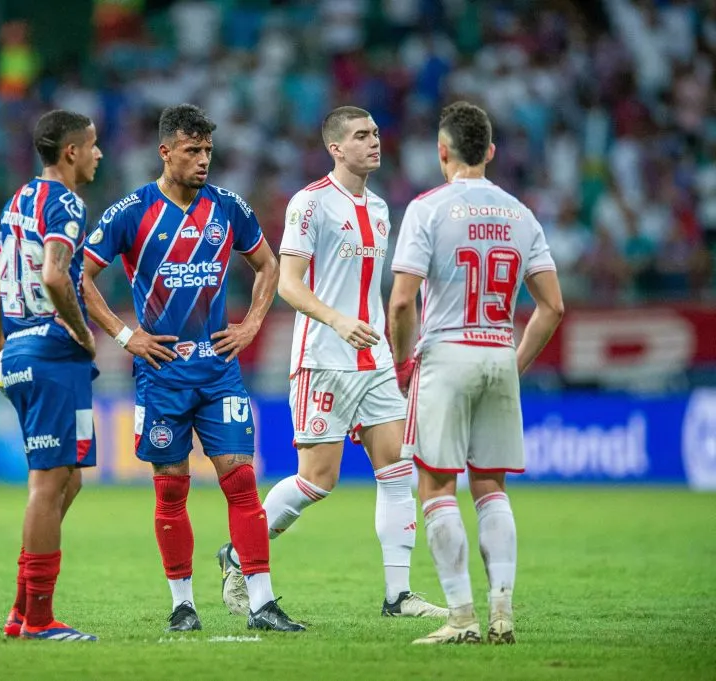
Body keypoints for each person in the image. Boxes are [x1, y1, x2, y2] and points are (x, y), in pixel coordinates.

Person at [214, 106, 447, 620]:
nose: (374, 142)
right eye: (362, 136)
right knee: (318, 479)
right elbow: (288, 285)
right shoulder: (310, 204)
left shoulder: (384, 209)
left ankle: (398, 595)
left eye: (377, 133)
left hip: (375, 358)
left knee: (397, 469)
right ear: (336, 148)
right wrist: (338, 322)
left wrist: (388, 343)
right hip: (322, 358)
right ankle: (237, 552)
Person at [81, 103, 303, 633]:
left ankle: (262, 603)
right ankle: (183, 603)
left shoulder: (229, 208)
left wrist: (250, 325)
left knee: (242, 482)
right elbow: (81, 275)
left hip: (219, 369)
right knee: (171, 487)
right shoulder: (132, 211)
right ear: (165, 152)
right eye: (192, 151)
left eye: (208, 150)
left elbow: (269, 265)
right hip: (161, 374)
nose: (204, 160)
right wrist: (125, 335)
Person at [388, 101, 564, 645]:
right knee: (491, 487)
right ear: (489, 151)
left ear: (442, 151)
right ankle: (502, 613)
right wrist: (513, 363)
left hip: (446, 354)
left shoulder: (427, 208)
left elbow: (401, 302)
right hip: (496, 351)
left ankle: (461, 617)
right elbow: (552, 307)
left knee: (436, 486)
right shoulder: (521, 213)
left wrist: (401, 363)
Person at [0, 110, 102, 642]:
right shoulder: (65, 202)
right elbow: (56, 276)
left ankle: (21, 610)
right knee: (47, 483)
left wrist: (8, 352)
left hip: (21, 351)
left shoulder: (16, 202)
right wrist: (81, 333)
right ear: (71, 153)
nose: (99, 154)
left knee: (69, 478)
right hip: (52, 352)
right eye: (93, 145)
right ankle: (39, 620)